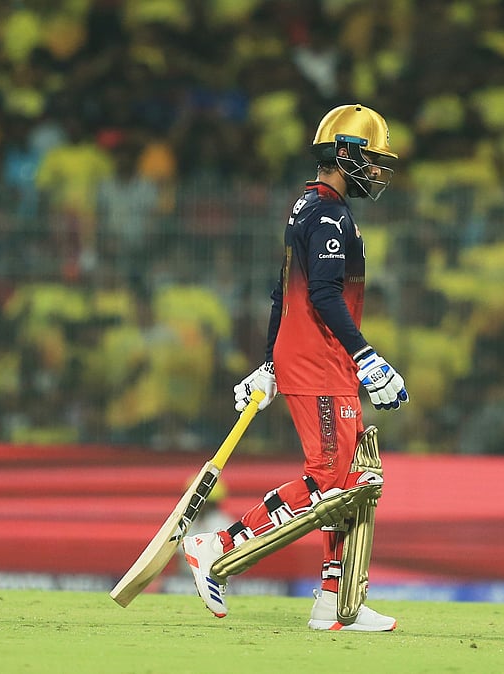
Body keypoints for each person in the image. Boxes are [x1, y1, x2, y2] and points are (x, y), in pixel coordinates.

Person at [180, 104, 409, 632]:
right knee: (331, 478)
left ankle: (334, 600)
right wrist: (367, 357)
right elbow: (325, 296)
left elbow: (284, 291)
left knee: (350, 477)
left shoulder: (307, 205)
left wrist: (269, 362)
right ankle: (217, 545)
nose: (377, 172)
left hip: (314, 359)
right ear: (344, 154)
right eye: (371, 159)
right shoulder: (328, 214)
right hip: (320, 362)